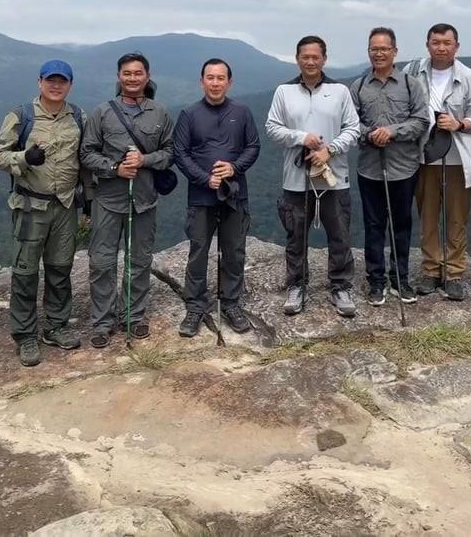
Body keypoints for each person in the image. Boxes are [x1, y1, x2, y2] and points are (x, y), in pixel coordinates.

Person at [0, 60, 88, 367]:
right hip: (31, 206)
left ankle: (56, 326)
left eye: (62, 81)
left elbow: (84, 159)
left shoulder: (78, 117)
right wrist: (24, 158)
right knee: (25, 272)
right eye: (50, 80)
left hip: (66, 206)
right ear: (39, 82)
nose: (56, 86)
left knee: (60, 269)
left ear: (70, 85)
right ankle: (25, 335)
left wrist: (89, 199)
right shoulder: (21, 116)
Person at [80, 52, 174, 347]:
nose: (132, 78)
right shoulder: (102, 112)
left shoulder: (160, 113)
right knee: (102, 262)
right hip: (108, 199)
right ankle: (102, 322)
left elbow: (170, 153)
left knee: (139, 260)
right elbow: (86, 153)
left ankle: (133, 316)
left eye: (138, 73)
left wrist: (145, 159)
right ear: (119, 77)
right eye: (127, 73)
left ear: (147, 76)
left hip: (143, 199)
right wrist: (114, 168)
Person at [265, 35, 360, 317]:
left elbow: (353, 128)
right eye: (305, 57)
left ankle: (340, 286)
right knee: (296, 235)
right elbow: (272, 128)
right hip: (295, 178)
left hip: (334, 177)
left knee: (339, 234)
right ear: (297, 59)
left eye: (315, 57)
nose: (310, 61)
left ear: (324, 59)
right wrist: (301, 137)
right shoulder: (284, 91)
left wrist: (330, 150)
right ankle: (296, 284)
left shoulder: (339, 91)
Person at [174, 58, 260, 338]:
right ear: (202, 81)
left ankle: (231, 303)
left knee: (234, 250)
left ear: (229, 82)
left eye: (220, 78)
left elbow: (253, 146)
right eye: (210, 78)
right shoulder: (189, 114)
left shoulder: (242, 112)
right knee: (198, 250)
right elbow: (180, 153)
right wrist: (205, 178)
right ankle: (195, 306)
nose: (215, 83)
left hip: (235, 193)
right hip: (201, 195)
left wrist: (234, 167)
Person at [403, 23, 471, 301]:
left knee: (456, 217)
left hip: (458, 157)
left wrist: (459, 124)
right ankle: (431, 269)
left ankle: (454, 272)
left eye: (447, 43)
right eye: (436, 42)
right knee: (427, 216)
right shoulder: (413, 72)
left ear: (456, 46)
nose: (441, 48)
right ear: (427, 44)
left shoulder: (469, 77)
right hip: (423, 156)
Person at [351, 28, 429, 306]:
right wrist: (370, 134)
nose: (379, 53)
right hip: (369, 168)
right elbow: (350, 124)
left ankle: (400, 278)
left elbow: (421, 121)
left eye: (384, 49)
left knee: (401, 225)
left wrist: (392, 132)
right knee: (373, 225)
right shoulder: (359, 86)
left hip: (404, 168)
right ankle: (376, 281)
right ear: (368, 52)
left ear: (395, 51)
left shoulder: (410, 84)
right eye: (374, 49)